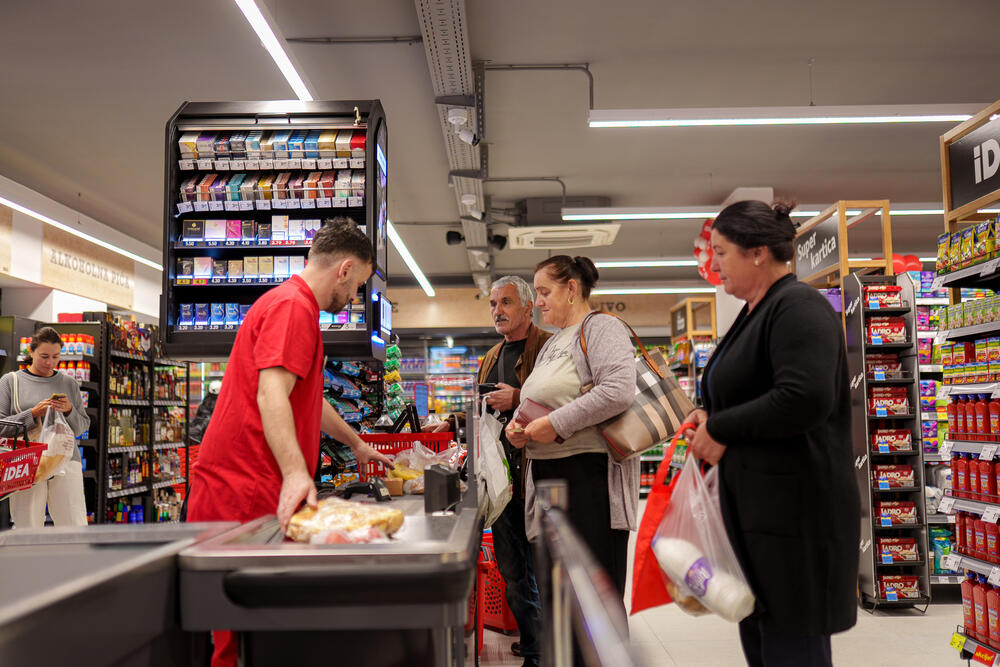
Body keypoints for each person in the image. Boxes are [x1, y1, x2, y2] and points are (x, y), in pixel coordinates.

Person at [186, 218, 394, 667]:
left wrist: (356, 443)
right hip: (242, 487)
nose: (354, 296)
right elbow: (271, 393)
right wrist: (298, 472)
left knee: (259, 631)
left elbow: (308, 399)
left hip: (251, 483)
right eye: (357, 284)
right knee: (240, 640)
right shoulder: (292, 307)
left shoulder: (291, 305)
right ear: (343, 270)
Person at [685, 200, 859, 667]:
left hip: (796, 523)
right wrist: (709, 416)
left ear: (758, 253)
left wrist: (720, 427)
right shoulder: (754, 312)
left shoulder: (798, 306)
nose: (713, 263)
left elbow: (804, 397)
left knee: (791, 649)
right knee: (764, 646)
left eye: (721, 252)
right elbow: (748, 391)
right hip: (760, 519)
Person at [506, 256, 638, 606]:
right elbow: (536, 395)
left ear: (572, 290)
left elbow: (617, 391)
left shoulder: (601, 328)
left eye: (545, 291)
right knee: (561, 601)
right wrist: (517, 425)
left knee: (595, 603)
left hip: (588, 478)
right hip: (550, 480)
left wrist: (555, 424)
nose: (539, 302)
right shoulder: (553, 343)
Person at [477, 275, 551, 667]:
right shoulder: (491, 356)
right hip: (504, 482)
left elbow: (569, 401)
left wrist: (519, 398)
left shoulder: (549, 348)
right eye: (492, 304)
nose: (497, 311)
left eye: (505, 303)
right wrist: (456, 421)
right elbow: (485, 408)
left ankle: (544, 650)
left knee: (546, 569)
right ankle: (534, 642)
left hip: (541, 477)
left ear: (527, 307)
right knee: (513, 572)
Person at [0, 326, 90, 527]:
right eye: (44, 356)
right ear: (30, 352)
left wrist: (68, 411)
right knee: (28, 525)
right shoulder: (11, 381)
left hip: (65, 459)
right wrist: (32, 414)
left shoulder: (69, 383)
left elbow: (82, 426)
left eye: (55, 356)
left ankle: (76, 559)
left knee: (74, 524)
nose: (50, 362)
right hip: (25, 461)